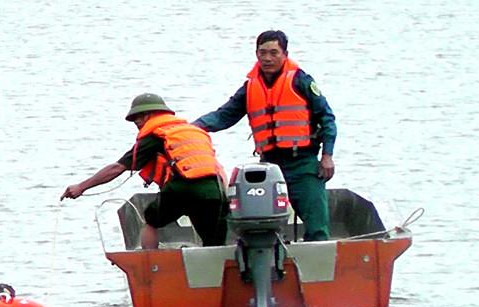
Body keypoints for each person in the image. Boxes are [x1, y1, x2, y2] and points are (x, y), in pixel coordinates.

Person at [193, 30, 337, 241]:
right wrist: (192, 128)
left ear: (285, 54)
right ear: (256, 54)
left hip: (303, 163)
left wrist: (327, 155)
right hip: (270, 166)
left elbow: (327, 119)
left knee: (317, 223)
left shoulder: (301, 81)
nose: (267, 58)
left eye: (274, 53)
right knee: (261, 220)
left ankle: (317, 262)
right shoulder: (250, 87)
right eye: (262, 53)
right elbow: (224, 116)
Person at [60, 93, 230, 249]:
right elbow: (216, 167)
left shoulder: (157, 135)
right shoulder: (194, 132)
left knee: (151, 220)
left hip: (182, 187)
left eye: (141, 116)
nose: (138, 122)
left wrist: (81, 187)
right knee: (214, 243)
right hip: (214, 189)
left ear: (154, 114)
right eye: (135, 119)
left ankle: (150, 270)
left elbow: (118, 168)